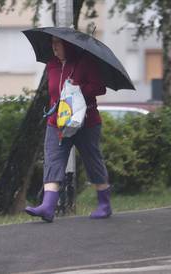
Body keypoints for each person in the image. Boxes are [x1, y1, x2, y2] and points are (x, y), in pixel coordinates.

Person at [25, 36, 111, 222]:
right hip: (58, 123)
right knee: (53, 160)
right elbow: (53, 93)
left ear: (68, 45)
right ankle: (48, 207)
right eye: (53, 43)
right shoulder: (52, 65)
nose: (54, 47)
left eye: (58, 43)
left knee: (92, 161)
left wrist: (77, 89)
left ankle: (104, 205)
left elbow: (100, 88)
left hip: (85, 122)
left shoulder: (85, 62)